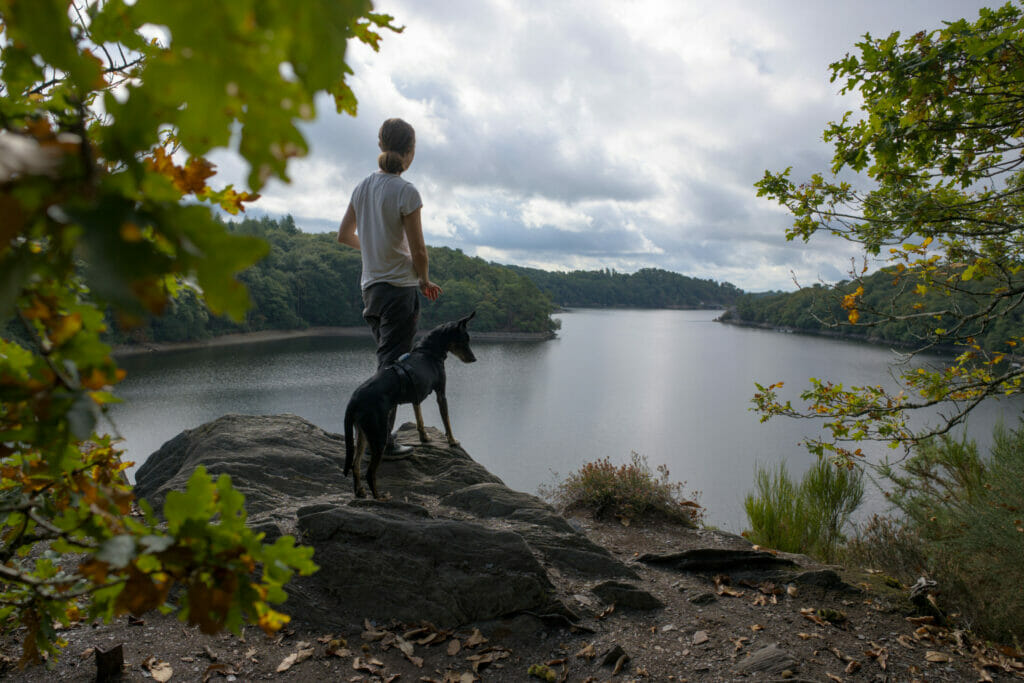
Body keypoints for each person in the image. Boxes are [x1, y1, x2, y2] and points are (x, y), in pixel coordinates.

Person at [337, 118, 442, 456]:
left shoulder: (362, 187)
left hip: (371, 291)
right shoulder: (406, 191)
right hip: (399, 291)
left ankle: (374, 436)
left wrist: (372, 249)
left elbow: (344, 236)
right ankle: (380, 442)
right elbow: (420, 249)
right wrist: (424, 279)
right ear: (409, 153)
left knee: (386, 363)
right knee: (393, 369)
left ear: (381, 145)